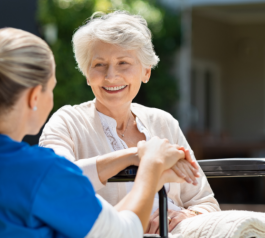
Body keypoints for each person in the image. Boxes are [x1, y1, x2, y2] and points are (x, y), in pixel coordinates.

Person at [0, 27, 187, 238]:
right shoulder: (42, 173)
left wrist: (132, 155)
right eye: (51, 88)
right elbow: (123, 233)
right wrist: (151, 167)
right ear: (33, 97)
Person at [39, 11, 220, 235]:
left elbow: (206, 203)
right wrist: (138, 155)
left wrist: (185, 216)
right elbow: (56, 183)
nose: (111, 76)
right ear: (87, 74)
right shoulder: (66, 122)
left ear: (146, 72)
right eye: (99, 65)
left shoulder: (163, 122)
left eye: (123, 63)